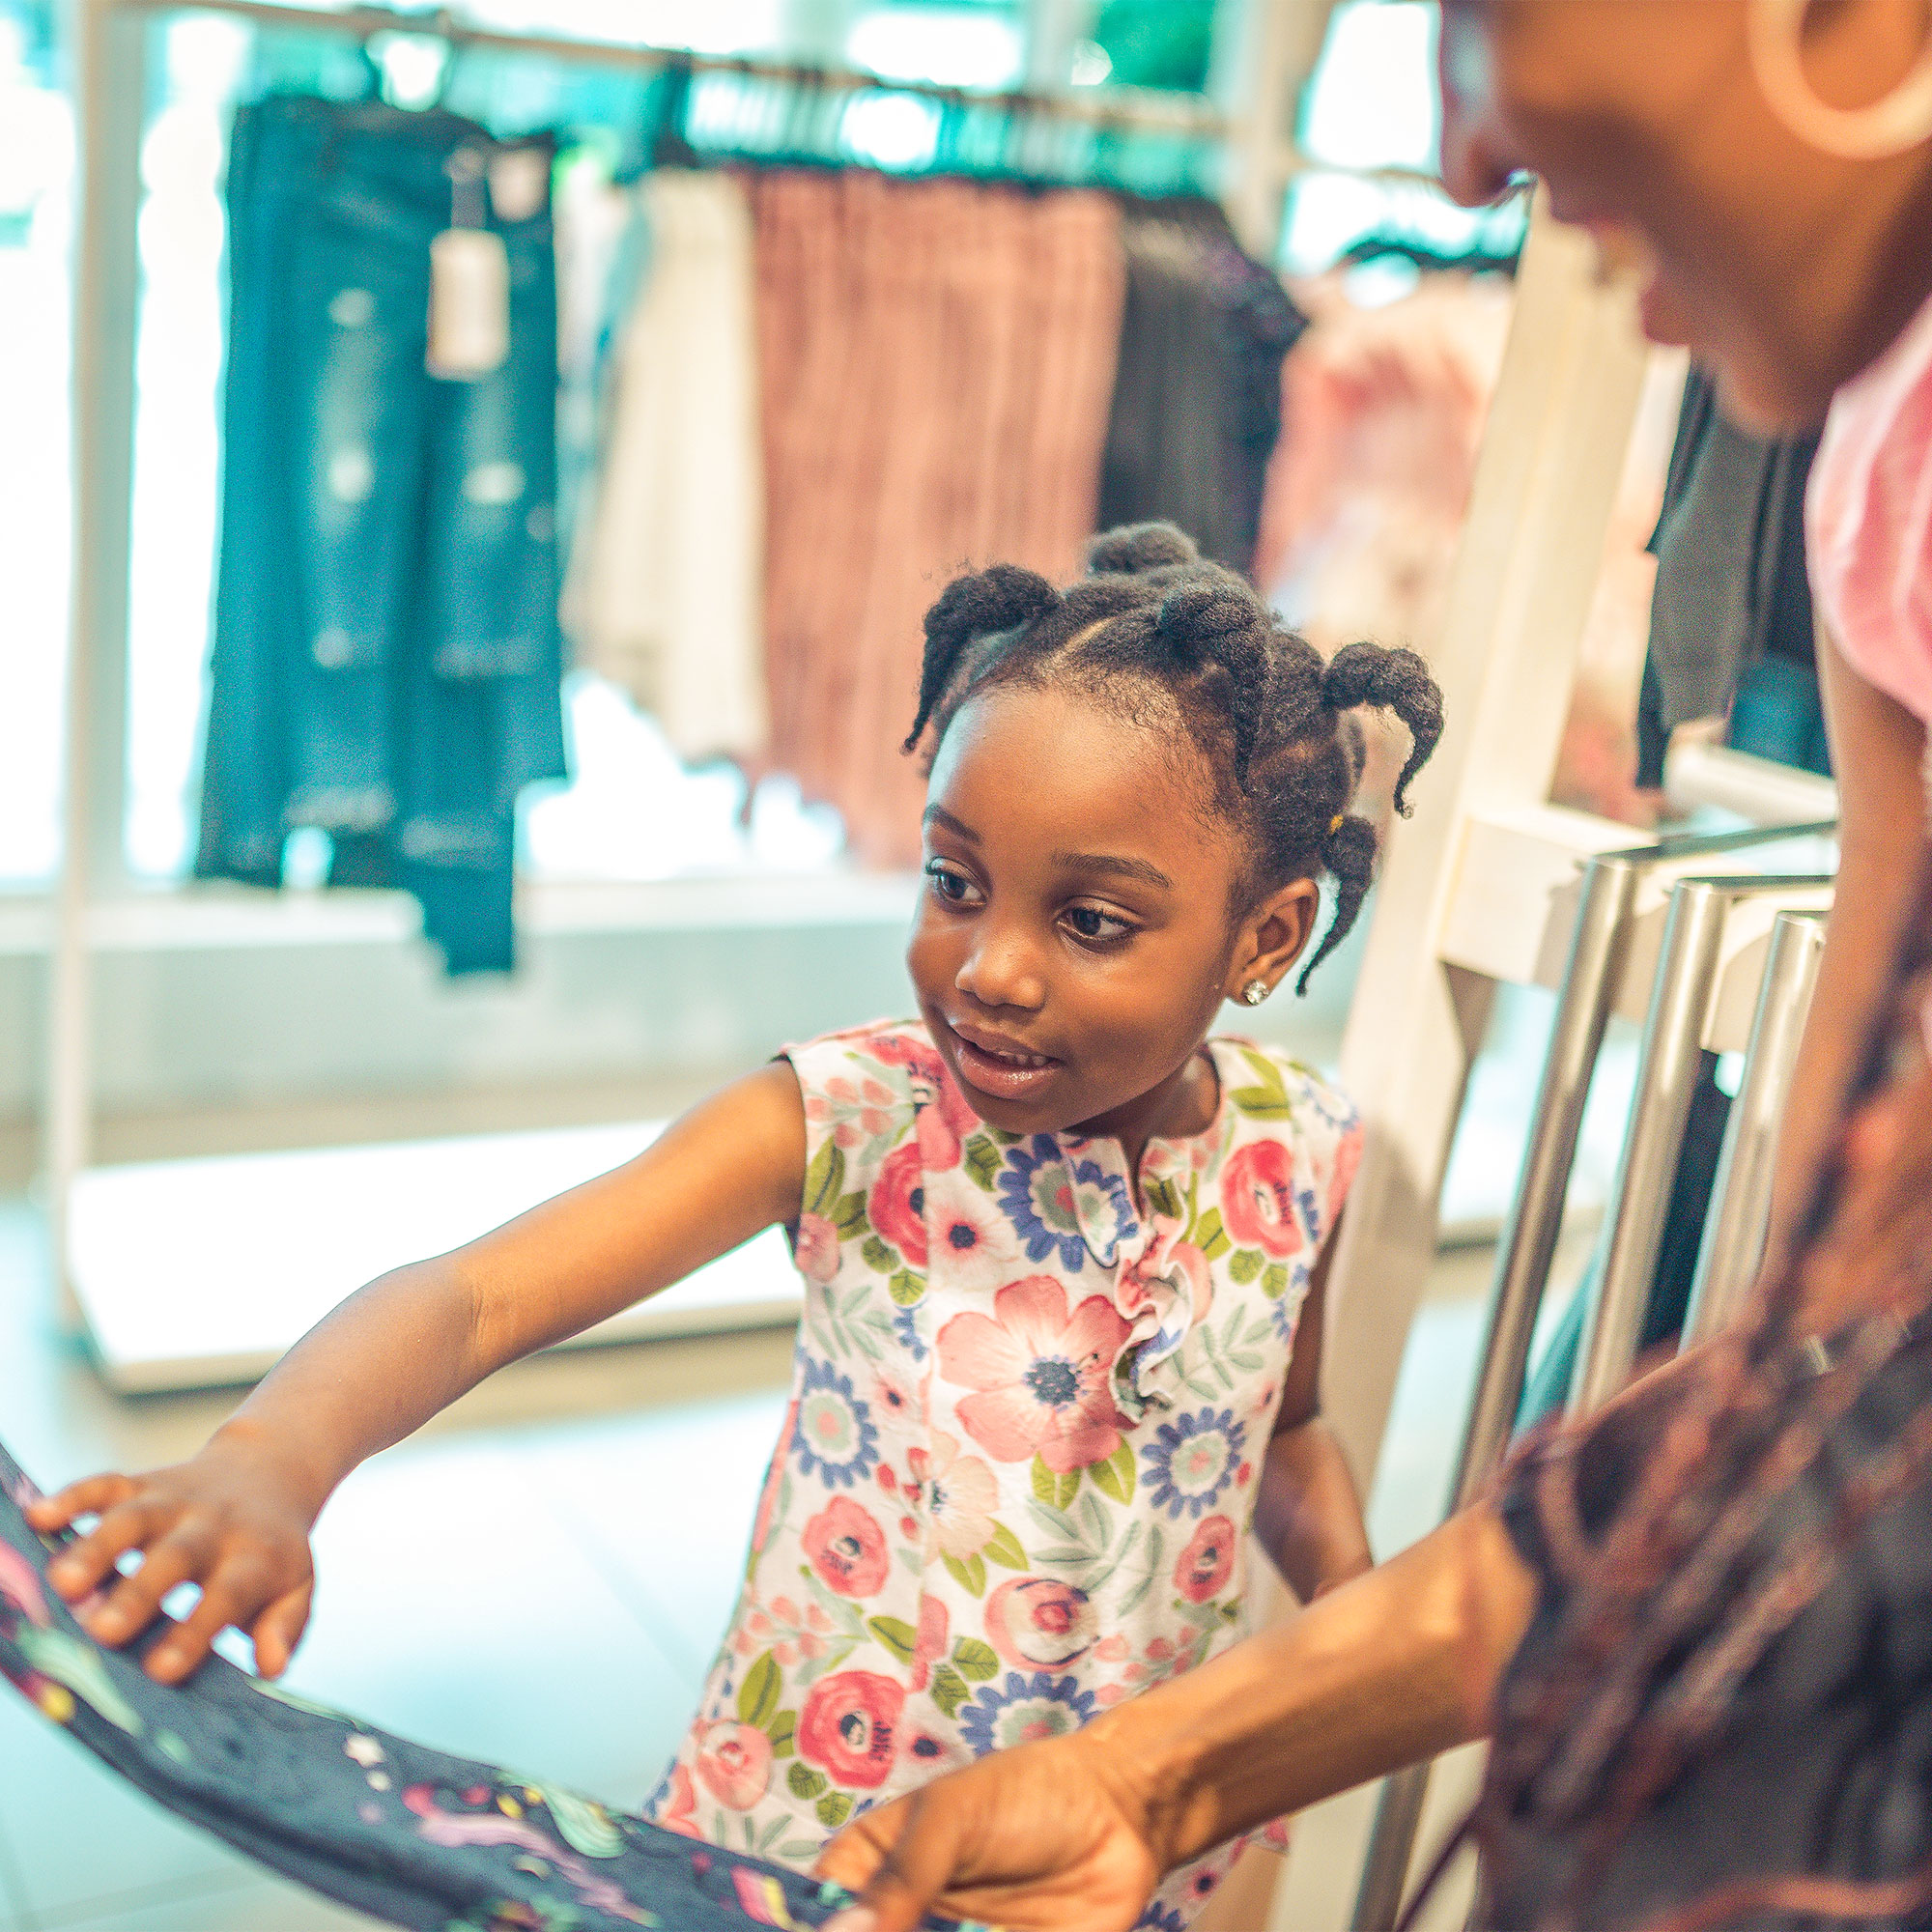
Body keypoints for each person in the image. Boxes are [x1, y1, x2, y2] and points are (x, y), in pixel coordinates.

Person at [810, 3, 1932, 1929]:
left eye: (1475, 15)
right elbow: (1831, 1359)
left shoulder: (1286, 1167)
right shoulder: (1872, 460)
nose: (1459, 154)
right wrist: (1141, 1779)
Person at [18, 525, 1442, 1929]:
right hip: (807, 1837)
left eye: (1090, 921)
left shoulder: (1298, 1150)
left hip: (1112, 1861)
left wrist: (1351, 1614)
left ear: (1264, 941)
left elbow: (1284, 1428)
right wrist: (269, 1459)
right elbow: (477, 1300)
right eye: (956, 884)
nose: (990, 969)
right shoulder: (850, 1119)